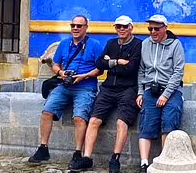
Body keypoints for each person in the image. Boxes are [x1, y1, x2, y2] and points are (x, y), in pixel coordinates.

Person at [69, 15, 142, 173]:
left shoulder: (138, 45)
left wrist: (111, 61)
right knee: (94, 120)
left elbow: (131, 68)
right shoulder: (111, 43)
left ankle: (115, 159)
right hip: (108, 87)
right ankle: (87, 158)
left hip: (128, 88)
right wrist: (118, 61)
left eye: (124, 27)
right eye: (118, 27)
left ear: (131, 28)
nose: (121, 29)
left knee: (121, 123)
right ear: (115, 28)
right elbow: (99, 63)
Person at [28, 14, 103, 168]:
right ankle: (43, 148)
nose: (75, 28)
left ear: (86, 28)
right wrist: (61, 73)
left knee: (79, 118)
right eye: (73, 25)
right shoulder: (63, 44)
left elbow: (100, 69)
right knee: (47, 111)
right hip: (65, 85)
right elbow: (55, 64)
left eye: (79, 26)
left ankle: (77, 153)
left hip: (85, 86)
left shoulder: (95, 45)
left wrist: (84, 76)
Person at [136, 14, 185, 173]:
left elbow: (178, 72)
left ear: (165, 28)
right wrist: (140, 92)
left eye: (156, 29)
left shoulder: (175, 44)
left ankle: (165, 162)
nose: (153, 32)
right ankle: (144, 164)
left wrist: (166, 95)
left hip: (171, 90)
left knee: (169, 121)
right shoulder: (145, 44)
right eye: (150, 29)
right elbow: (141, 71)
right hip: (151, 88)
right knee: (146, 123)